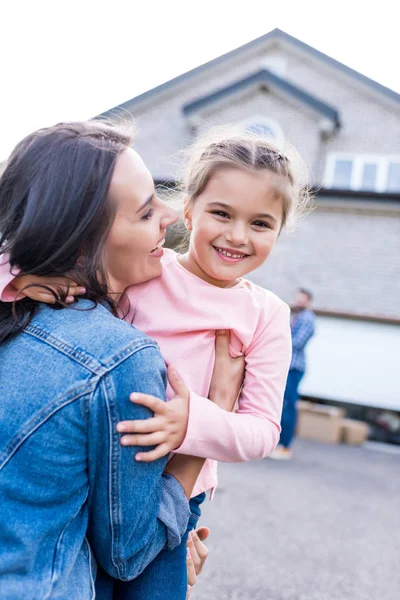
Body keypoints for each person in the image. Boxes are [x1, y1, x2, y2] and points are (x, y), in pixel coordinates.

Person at [1, 125, 312, 598]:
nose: (236, 236)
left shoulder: (267, 315)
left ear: (280, 231)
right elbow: (56, 275)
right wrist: (31, 285)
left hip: (177, 489)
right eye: (221, 213)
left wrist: (196, 422)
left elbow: (264, 430)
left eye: (260, 224)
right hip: (105, 476)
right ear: (189, 209)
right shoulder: (147, 271)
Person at [270, 288, 316, 460]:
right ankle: (278, 443)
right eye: (296, 297)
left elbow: (296, 342)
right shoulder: (297, 316)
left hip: (294, 367)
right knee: (280, 405)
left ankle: (285, 446)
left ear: (308, 300)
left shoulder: (307, 318)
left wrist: (276, 338)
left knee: (289, 405)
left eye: (301, 299)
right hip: (286, 366)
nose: (297, 301)